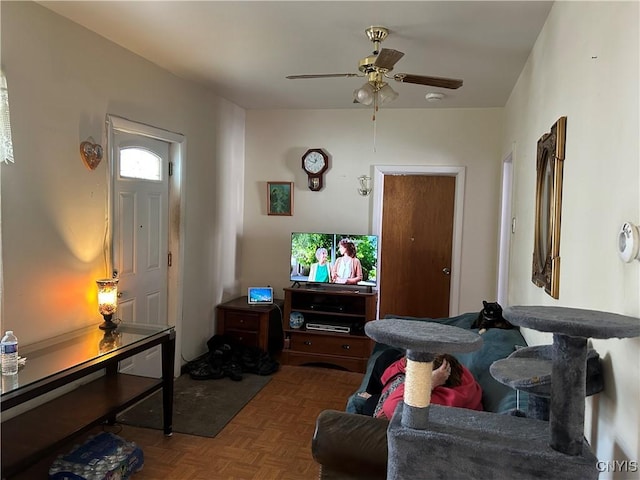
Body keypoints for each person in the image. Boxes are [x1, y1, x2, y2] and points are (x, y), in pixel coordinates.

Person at [357, 349, 483, 419]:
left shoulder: (439, 400)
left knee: (370, 404)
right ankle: (371, 391)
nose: (407, 370)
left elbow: (391, 407)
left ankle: (372, 395)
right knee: (387, 355)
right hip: (422, 380)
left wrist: (428, 382)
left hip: (400, 396)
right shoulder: (454, 369)